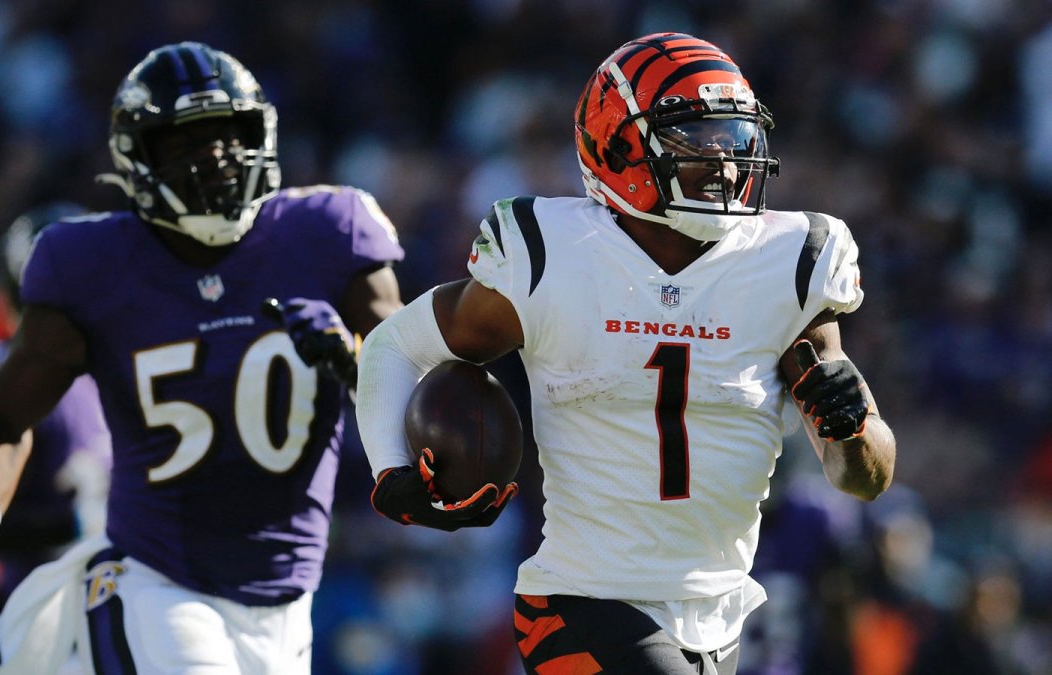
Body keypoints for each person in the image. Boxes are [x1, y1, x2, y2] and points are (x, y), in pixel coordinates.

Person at [355, 32, 896, 675]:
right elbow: (395, 343)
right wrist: (392, 470)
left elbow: (861, 478)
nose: (724, 162)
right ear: (620, 144)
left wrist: (856, 429)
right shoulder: (551, 255)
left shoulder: (790, 264)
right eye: (696, 137)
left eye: (734, 138)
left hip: (721, 616)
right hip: (582, 601)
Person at [0, 41, 404, 674]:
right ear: (138, 158)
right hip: (158, 579)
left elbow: (416, 380)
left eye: (228, 135)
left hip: (288, 596)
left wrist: (358, 359)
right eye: (185, 142)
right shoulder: (90, 266)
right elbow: (3, 418)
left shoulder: (330, 232)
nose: (216, 158)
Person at [0, 202, 112, 614]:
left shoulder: (117, 367)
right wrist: (85, 524)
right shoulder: (4, 373)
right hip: (34, 607)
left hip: (109, 599)